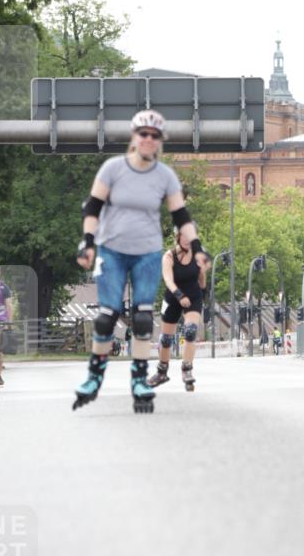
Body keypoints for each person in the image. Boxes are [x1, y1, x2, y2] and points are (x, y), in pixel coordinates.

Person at [73, 109, 210, 413]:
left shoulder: (165, 176)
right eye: (143, 134)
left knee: (143, 317)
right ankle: (95, 376)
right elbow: (92, 206)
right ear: (134, 137)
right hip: (111, 250)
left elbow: (181, 216)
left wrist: (198, 248)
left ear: (160, 142)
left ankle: (139, 379)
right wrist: (88, 241)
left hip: (147, 250)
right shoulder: (112, 169)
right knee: (107, 315)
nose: (148, 140)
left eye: (154, 136)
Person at [148, 225, 207, 392]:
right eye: (184, 236)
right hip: (174, 296)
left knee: (190, 331)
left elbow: (202, 276)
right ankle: (162, 372)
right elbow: (168, 279)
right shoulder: (169, 256)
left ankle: (187, 369)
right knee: (166, 339)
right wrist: (179, 295)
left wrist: (204, 292)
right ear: (178, 237)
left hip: (193, 296)